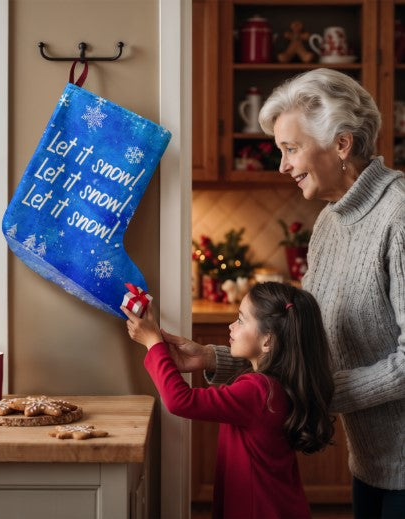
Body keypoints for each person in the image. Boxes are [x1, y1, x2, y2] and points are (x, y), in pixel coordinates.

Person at [167, 68, 405, 518]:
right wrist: (214, 359)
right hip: (371, 461)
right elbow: (301, 346)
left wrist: (310, 395)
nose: (283, 166)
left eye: (291, 149)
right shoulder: (330, 224)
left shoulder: (400, 216)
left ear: (341, 144)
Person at [123, 282, 335, 519]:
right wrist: (200, 355)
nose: (231, 326)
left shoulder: (258, 390)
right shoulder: (276, 382)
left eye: (241, 320)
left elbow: (179, 401)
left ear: (268, 341)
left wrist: (153, 344)